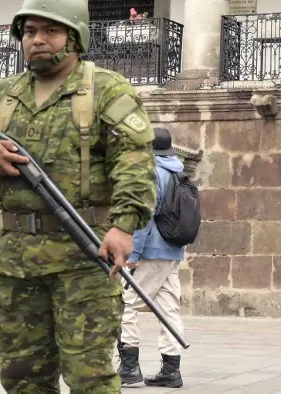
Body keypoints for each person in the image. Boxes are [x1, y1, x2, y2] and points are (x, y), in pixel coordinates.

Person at [0, 0, 157, 393]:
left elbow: (134, 164)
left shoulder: (107, 90)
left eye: (50, 31)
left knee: (89, 376)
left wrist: (124, 227)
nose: (37, 39)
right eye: (29, 31)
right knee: (21, 374)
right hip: (16, 261)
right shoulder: (1, 96)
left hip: (83, 257)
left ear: (74, 39)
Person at [118, 127, 188, 387]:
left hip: (150, 252)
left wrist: (132, 254)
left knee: (127, 305)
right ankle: (172, 370)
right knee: (169, 309)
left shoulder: (151, 173)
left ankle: (129, 368)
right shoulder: (180, 172)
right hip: (173, 251)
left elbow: (143, 218)